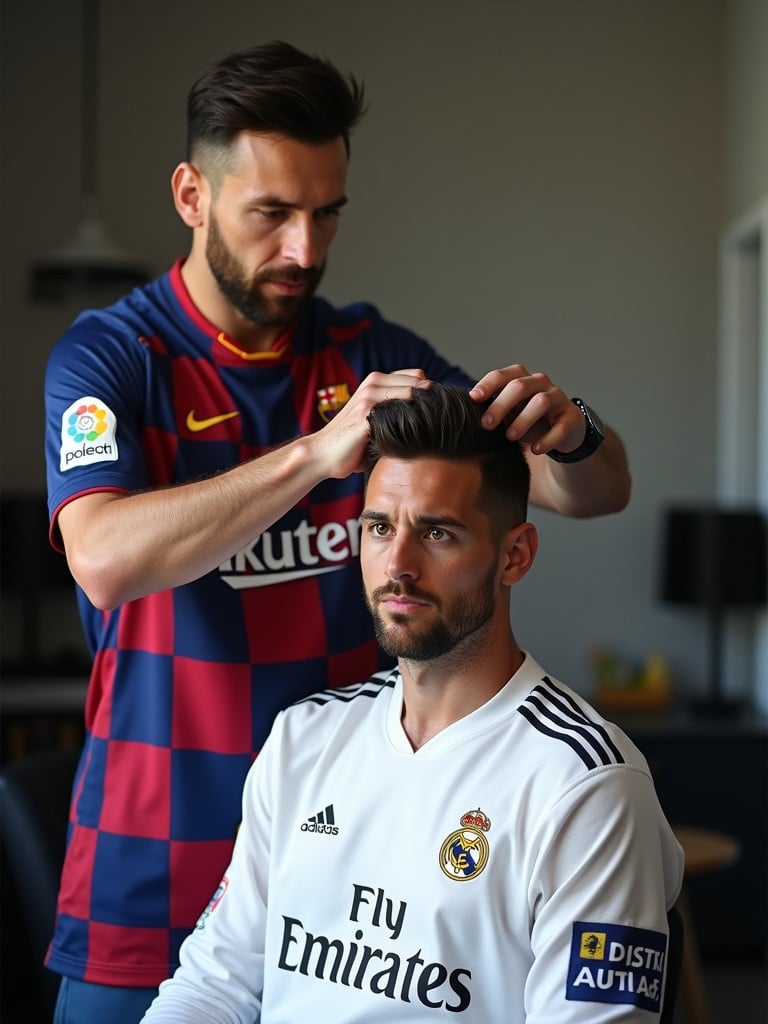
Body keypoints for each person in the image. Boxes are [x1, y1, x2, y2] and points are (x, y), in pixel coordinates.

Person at [43, 41, 631, 1023]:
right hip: (146, 886)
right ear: (192, 194)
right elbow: (101, 558)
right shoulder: (112, 356)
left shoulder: (372, 351)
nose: (306, 249)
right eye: (272, 212)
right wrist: (317, 453)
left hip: (346, 893)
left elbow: (587, 494)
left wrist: (572, 431)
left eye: (327, 213)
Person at [140, 383, 680, 1023]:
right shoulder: (303, 739)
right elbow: (212, 986)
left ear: (515, 555)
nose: (397, 563)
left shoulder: (586, 782)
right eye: (378, 527)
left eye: (438, 533)